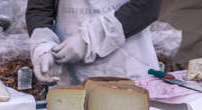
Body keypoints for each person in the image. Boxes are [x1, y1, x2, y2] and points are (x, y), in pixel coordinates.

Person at [27, 0, 162, 86]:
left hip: (128, 70)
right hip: (69, 74)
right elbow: (40, 8)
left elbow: (148, 5)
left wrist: (91, 37)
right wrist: (44, 46)